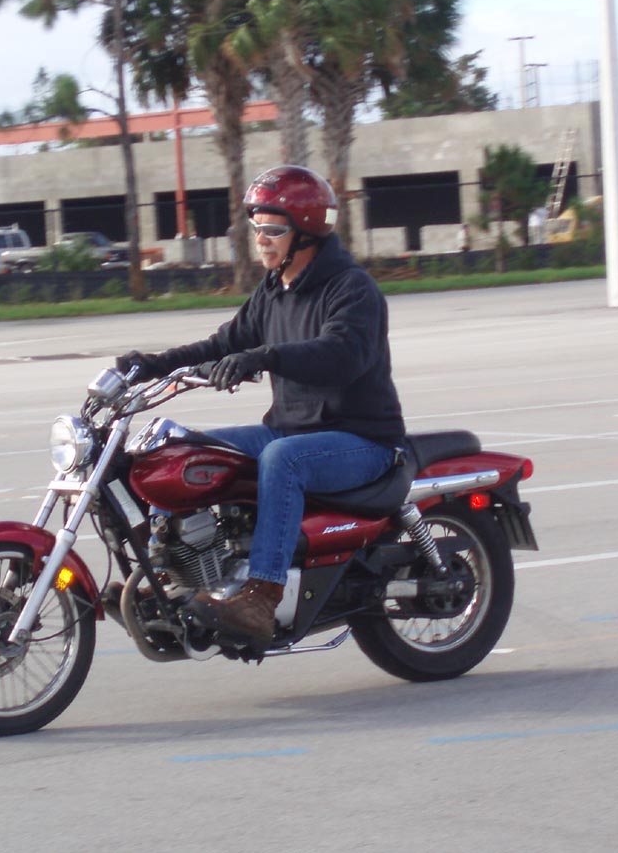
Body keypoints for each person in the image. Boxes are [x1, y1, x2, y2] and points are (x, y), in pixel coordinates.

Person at [114, 165, 407, 647]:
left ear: (306, 232)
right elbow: (222, 343)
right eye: (256, 228)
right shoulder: (274, 290)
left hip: (361, 439)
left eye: (272, 229)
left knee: (281, 459)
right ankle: (169, 574)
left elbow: (342, 356)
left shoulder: (352, 288)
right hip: (291, 428)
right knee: (178, 449)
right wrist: (154, 364)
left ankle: (262, 596)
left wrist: (266, 356)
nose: (261, 240)